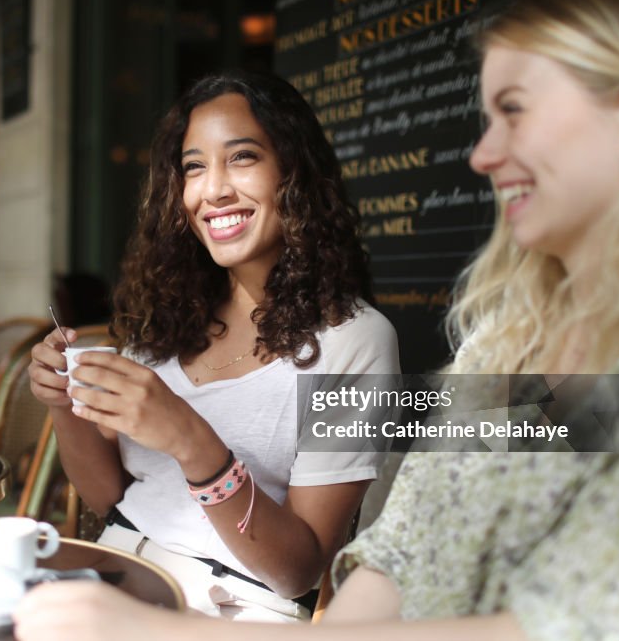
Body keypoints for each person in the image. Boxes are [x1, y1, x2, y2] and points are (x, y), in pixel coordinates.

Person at [13, 0, 619, 641]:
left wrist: (168, 625)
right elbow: (396, 553)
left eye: (515, 111)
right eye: (193, 167)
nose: (482, 154)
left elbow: (562, 624)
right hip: (125, 573)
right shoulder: (503, 341)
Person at [27, 70, 400, 620]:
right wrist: (64, 404)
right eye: (194, 166)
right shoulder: (169, 315)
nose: (214, 189)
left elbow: (298, 569)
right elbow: (112, 498)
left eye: (243, 157)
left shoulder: (354, 340)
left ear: (294, 172)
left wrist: (193, 443)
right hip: (113, 575)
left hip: (235, 609)